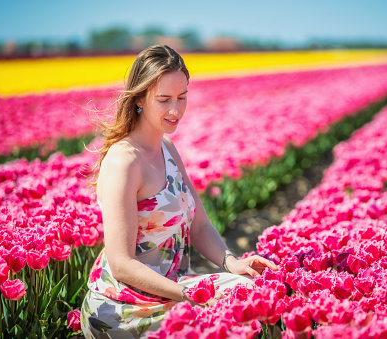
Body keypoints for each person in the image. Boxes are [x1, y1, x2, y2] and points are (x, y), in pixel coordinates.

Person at [80, 45, 278, 338]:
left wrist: (232, 262)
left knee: (251, 290)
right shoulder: (124, 162)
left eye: (182, 97)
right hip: (124, 306)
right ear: (139, 99)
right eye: (164, 100)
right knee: (232, 313)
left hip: (173, 290)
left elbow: (199, 224)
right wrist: (191, 295)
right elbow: (121, 264)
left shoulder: (167, 149)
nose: (176, 110)